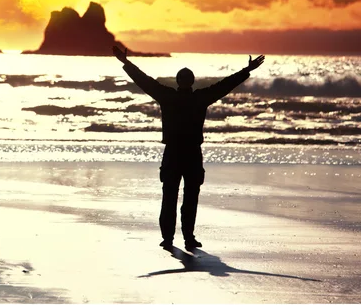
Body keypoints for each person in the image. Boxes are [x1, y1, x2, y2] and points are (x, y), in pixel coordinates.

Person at [113, 46, 265, 251]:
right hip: (191, 153)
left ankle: (170, 238)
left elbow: (144, 81)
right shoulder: (199, 97)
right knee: (189, 197)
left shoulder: (168, 96)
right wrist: (247, 70)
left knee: (171, 196)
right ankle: (187, 238)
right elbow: (224, 85)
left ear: (179, 82)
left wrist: (126, 62)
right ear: (191, 82)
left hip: (175, 153)